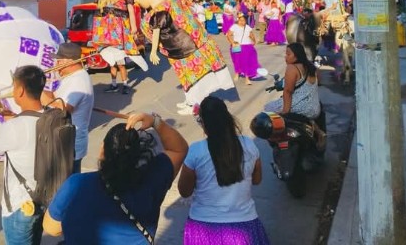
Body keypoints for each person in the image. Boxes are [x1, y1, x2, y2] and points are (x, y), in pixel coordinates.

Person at [43, 110, 189, 244]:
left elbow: (51, 228)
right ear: (139, 154)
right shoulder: (153, 180)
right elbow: (179, 149)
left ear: (102, 151)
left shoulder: (76, 184)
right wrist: (155, 121)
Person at [127, 0, 234, 115]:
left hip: (185, 48)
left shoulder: (159, 10)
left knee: (192, 76)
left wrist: (153, 51)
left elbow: (157, 30)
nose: (134, 1)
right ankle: (190, 100)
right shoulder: (172, 1)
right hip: (180, 48)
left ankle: (194, 104)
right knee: (186, 78)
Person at [178, 96, 269, 245]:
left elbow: (184, 191)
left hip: (203, 228)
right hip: (245, 225)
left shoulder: (195, 151)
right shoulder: (249, 145)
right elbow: (257, 180)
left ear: (204, 124)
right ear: (228, 119)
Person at [0, 65, 47, 245]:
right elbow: (22, 124)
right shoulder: (49, 116)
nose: (13, 92)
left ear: (21, 90)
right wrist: (2, 108)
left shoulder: (15, 128)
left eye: (14, 87)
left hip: (19, 206)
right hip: (43, 199)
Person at [91, 0, 147, 95]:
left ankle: (125, 84)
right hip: (117, 32)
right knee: (112, 63)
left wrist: (134, 28)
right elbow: (129, 10)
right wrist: (133, 28)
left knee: (120, 63)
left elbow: (97, 6)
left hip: (107, 33)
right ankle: (115, 84)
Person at [45, 42, 94, 174]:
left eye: (59, 61)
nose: (56, 65)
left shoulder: (79, 80)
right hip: (65, 141)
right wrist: (37, 88)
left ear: (69, 61)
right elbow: (56, 97)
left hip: (70, 144)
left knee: (68, 185)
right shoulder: (72, 77)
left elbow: (64, 111)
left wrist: (40, 96)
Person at [265, 42, 322, 120]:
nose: (285, 57)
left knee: (268, 107)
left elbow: (288, 92)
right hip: (315, 109)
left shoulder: (292, 68)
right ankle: (316, 128)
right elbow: (318, 83)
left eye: (288, 54)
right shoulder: (313, 67)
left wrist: (285, 111)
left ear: (297, 55)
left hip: (302, 109)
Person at [226, 14, 260, 86]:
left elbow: (251, 35)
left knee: (247, 63)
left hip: (247, 47)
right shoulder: (234, 27)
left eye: (243, 21)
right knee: (237, 61)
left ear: (246, 21)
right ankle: (237, 73)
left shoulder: (248, 27)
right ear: (238, 20)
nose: (242, 22)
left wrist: (254, 41)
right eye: (240, 20)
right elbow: (228, 34)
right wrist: (232, 43)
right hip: (237, 46)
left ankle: (247, 78)